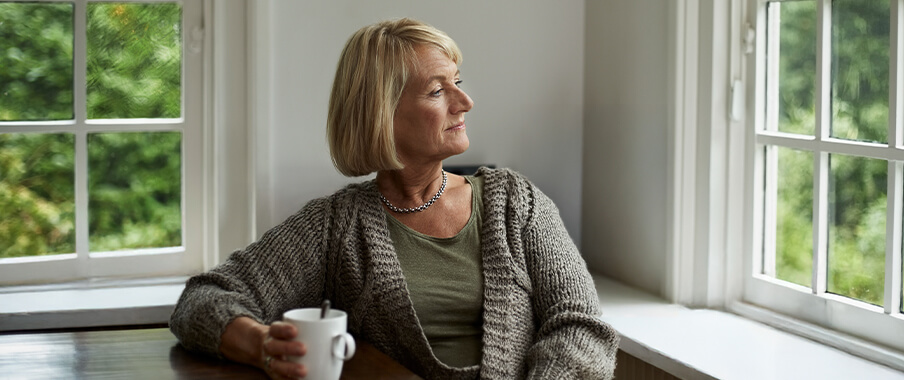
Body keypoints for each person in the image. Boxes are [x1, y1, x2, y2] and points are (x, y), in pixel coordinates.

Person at [169, 17, 618, 379]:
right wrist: (262, 346)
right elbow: (203, 299)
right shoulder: (335, 227)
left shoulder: (516, 204)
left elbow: (581, 327)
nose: (465, 101)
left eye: (457, 82)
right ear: (382, 113)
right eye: (438, 91)